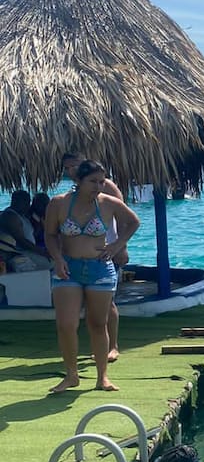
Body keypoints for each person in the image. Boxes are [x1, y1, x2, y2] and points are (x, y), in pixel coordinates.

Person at [44, 160, 140, 393]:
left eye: (101, 181)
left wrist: (117, 245)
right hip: (69, 269)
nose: (98, 186)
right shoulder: (59, 204)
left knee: (98, 324)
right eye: (93, 181)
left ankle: (102, 377)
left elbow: (133, 222)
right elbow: (50, 235)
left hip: (100, 269)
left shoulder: (108, 203)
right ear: (78, 181)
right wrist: (57, 259)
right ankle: (71, 375)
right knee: (66, 324)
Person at [62, 152, 128, 362]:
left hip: (107, 249)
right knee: (90, 305)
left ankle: (114, 346)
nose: (69, 171)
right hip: (82, 255)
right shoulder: (72, 192)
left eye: (73, 166)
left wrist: (120, 246)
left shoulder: (104, 185)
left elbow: (124, 216)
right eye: (66, 168)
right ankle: (100, 347)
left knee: (108, 302)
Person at [0, 191, 51, 270]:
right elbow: (22, 241)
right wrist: (43, 252)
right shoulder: (10, 216)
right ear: (16, 201)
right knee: (50, 264)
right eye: (26, 202)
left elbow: (32, 234)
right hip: (18, 253)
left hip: (28, 250)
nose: (28, 205)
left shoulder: (22, 215)